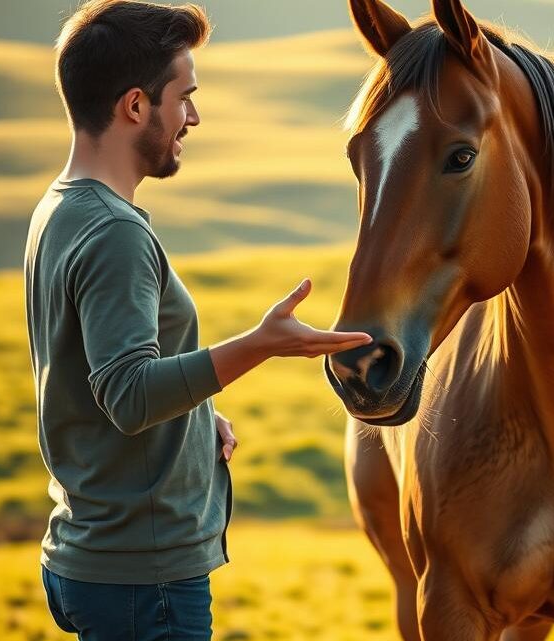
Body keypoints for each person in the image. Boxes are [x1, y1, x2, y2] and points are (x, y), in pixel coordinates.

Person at [22, 1, 372, 638]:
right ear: (136, 106)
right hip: (143, 577)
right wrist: (262, 344)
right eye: (184, 97)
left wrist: (193, 418)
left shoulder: (60, 207)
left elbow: (89, 375)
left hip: (96, 556)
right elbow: (128, 395)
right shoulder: (114, 232)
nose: (194, 117)